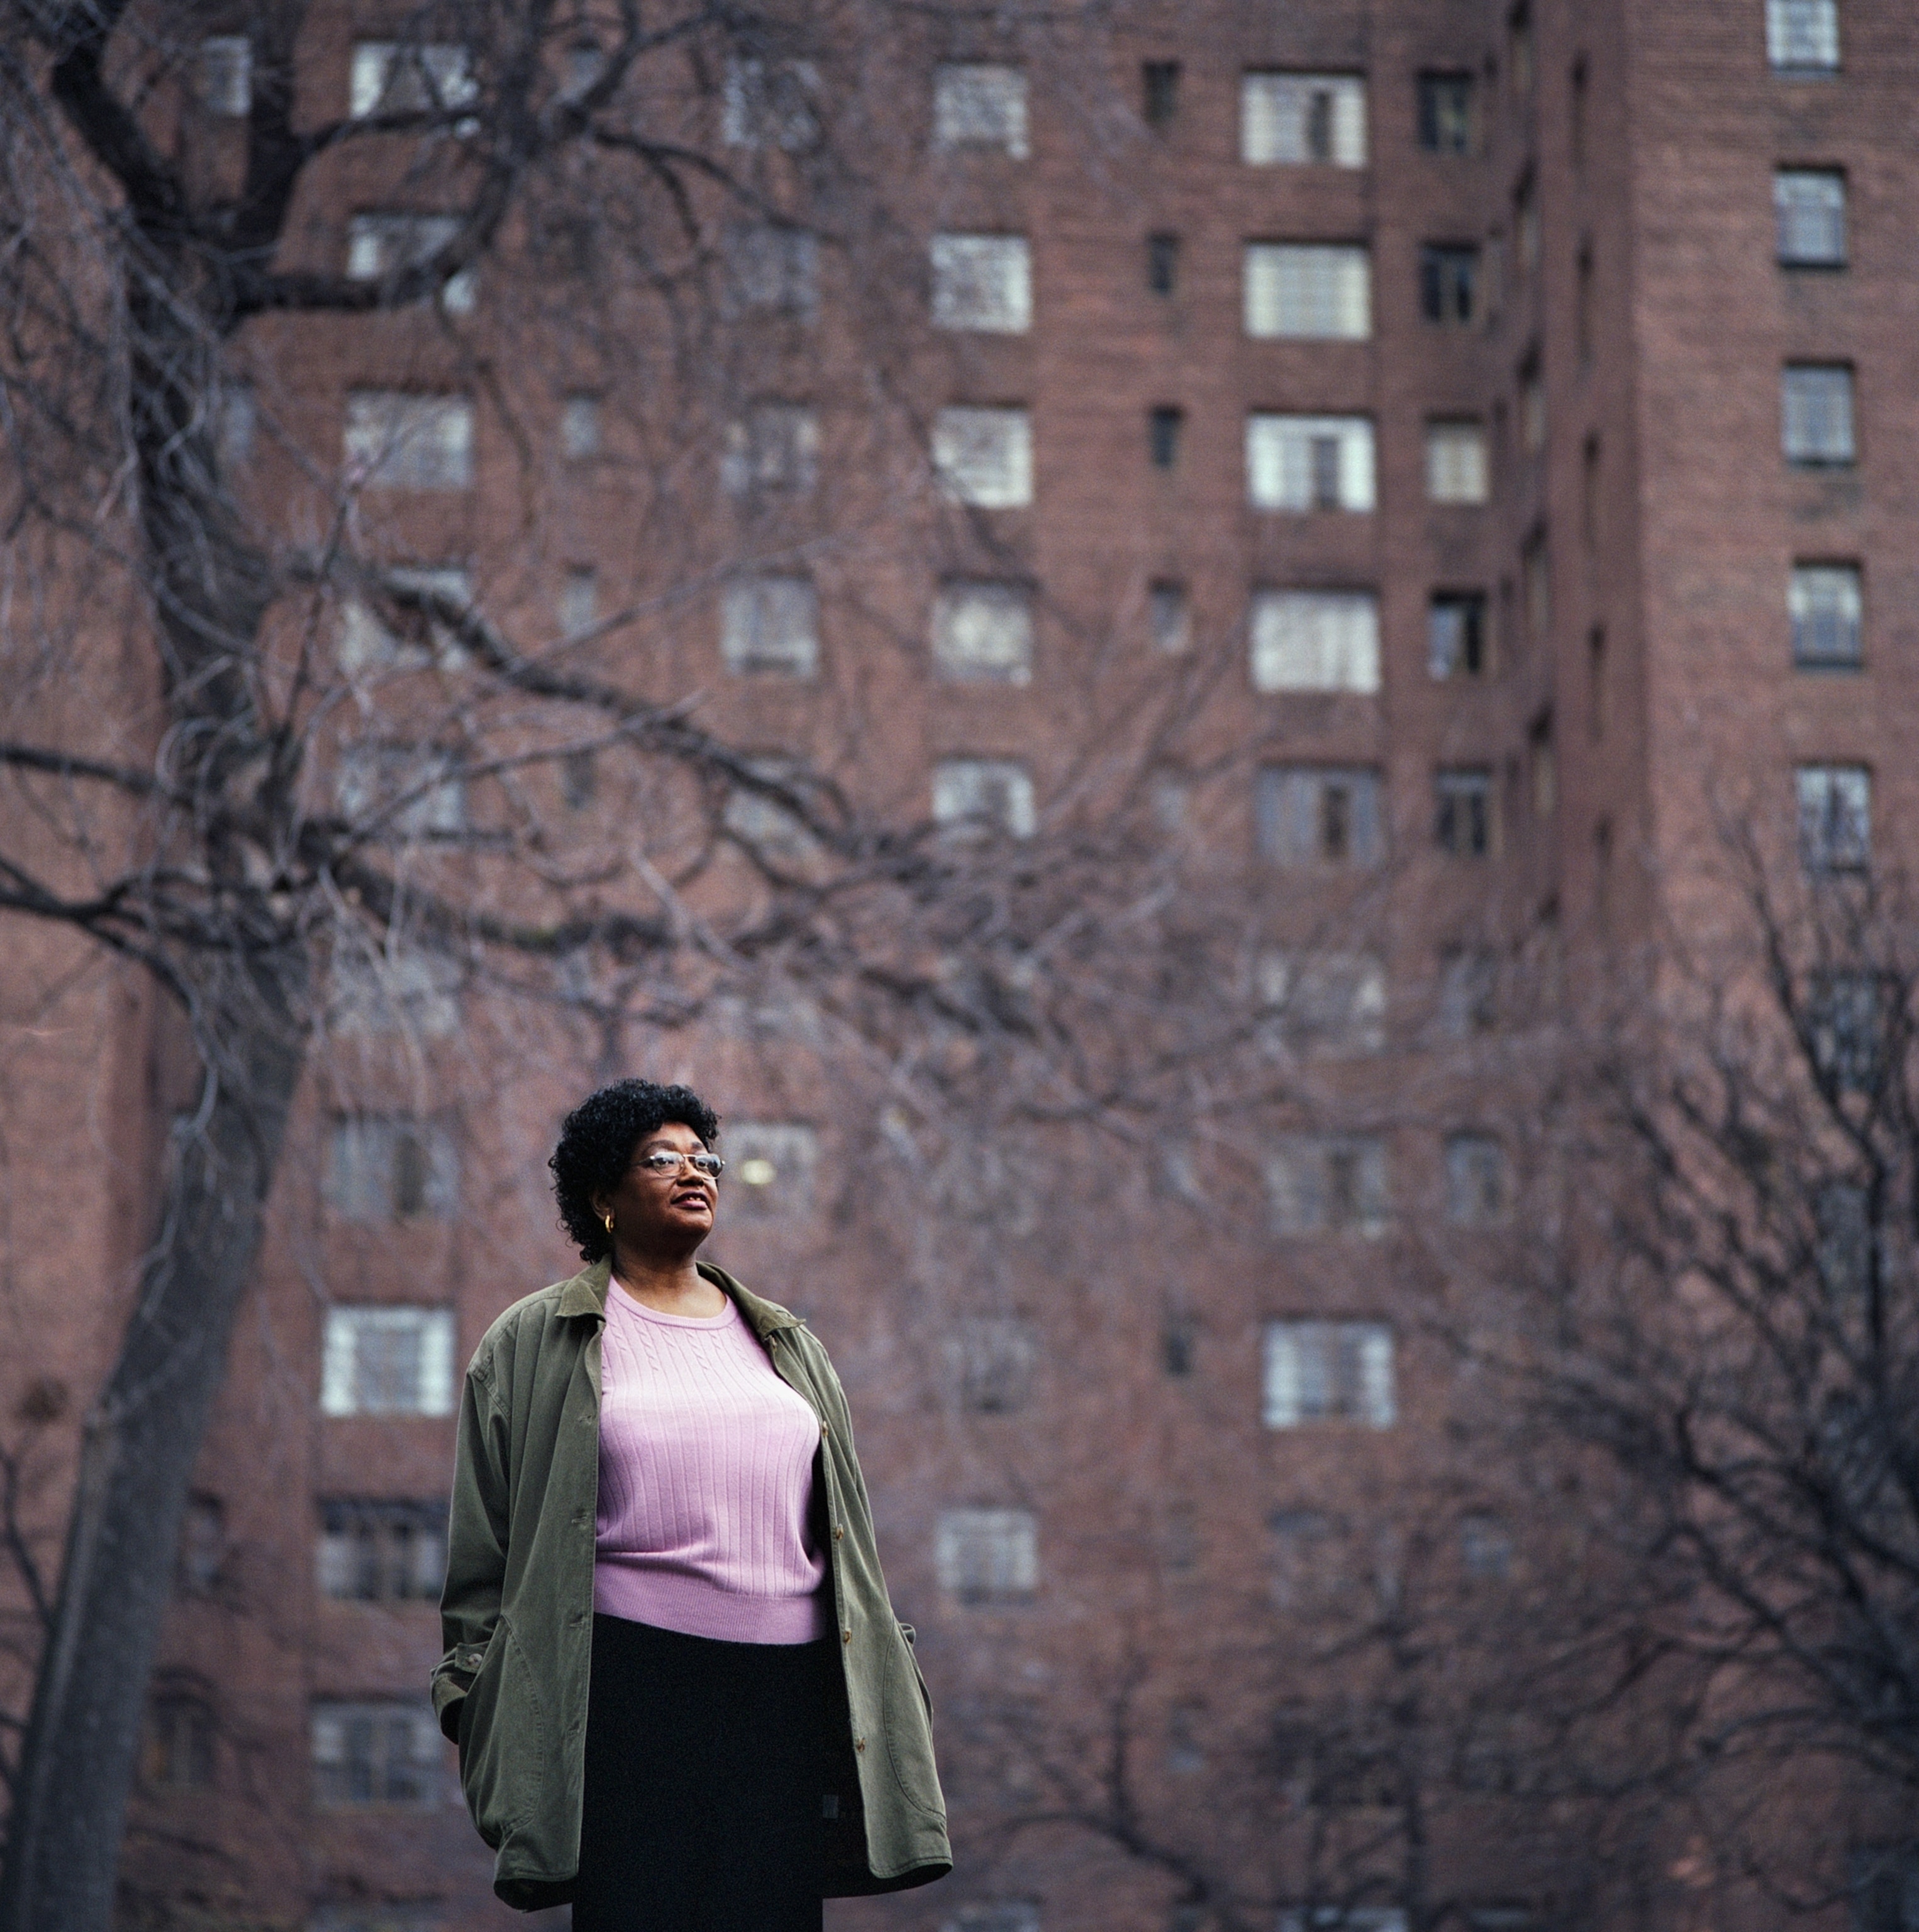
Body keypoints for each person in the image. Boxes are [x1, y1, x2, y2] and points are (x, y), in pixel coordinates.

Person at [432, 1079, 950, 1926]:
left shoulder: (788, 1343)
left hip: (787, 1697)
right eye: (660, 1158)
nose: (694, 1171)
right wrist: (480, 1708)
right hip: (629, 1690)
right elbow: (480, 1559)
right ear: (602, 1197)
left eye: (704, 1158)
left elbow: (849, 1545)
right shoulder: (531, 1341)